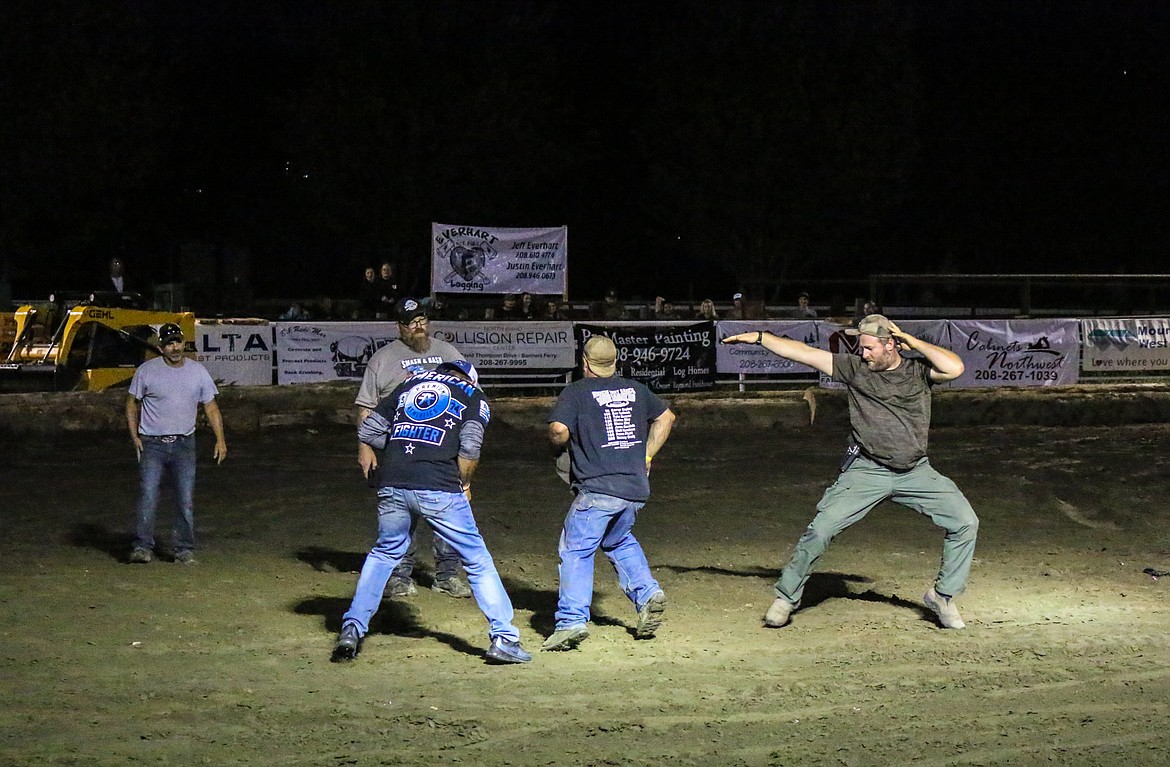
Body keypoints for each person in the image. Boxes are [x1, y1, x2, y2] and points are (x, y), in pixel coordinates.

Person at [721, 315, 978, 630]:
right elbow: (802, 352)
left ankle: (943, 595)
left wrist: (913, 342)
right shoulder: (855, 368)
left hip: (915, 471)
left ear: (891, 345)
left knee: (966, 522)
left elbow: (955, 368)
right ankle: (786, 597)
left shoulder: (918, 371)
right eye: (861, 348)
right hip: (867, 470)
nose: (864, 354)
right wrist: (762, 337)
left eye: (869, 348)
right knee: (820, 530)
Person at [332, 360, 532, 664]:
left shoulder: (408, 384)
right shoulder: (474, 396)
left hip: (395, 480)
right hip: (438, 484)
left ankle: (351, 629)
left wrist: (404, 445)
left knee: (384, 553)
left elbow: (369, 429)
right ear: (471, 379)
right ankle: (504, 637)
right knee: (476, 559)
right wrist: (463, 480)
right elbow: (470, 447)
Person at [541, 336, 677, 651]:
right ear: (615, 363)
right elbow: (666, 417)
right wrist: (646, 456)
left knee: (576, 549)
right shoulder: (636, 389)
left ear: (584, 363)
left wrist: (554, 442)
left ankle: (571, 622)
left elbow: (559, 430)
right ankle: (647, 594)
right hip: (634, 488)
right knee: (617, 539)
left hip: (598, 489)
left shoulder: (575, 391)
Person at [354, 297, 472, 598]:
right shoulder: (382, 359)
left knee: (448, 514)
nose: (419, 328)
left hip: (443, 450)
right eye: (412, 323)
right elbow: (367, 406)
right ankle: (399, 575)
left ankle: (446, 575)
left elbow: (471, 394)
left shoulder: (448, 353)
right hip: (399, 448)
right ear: (400, 327)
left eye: (423, 321)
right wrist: (365, 446)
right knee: (401, 514)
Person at [125, 322, 227, 564]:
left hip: (184, 444)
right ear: (161, 347)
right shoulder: (146, 371)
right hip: (153, 444)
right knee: (148, 495)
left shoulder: (197, 372)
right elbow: (131, 403)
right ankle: (142, 546)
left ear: (183, 343)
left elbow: (211, 406)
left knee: (185, 498)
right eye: (169, 343)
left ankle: (184, 549)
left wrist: (220, 439)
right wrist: (135, 437)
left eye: (178, 342)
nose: (175, 347)